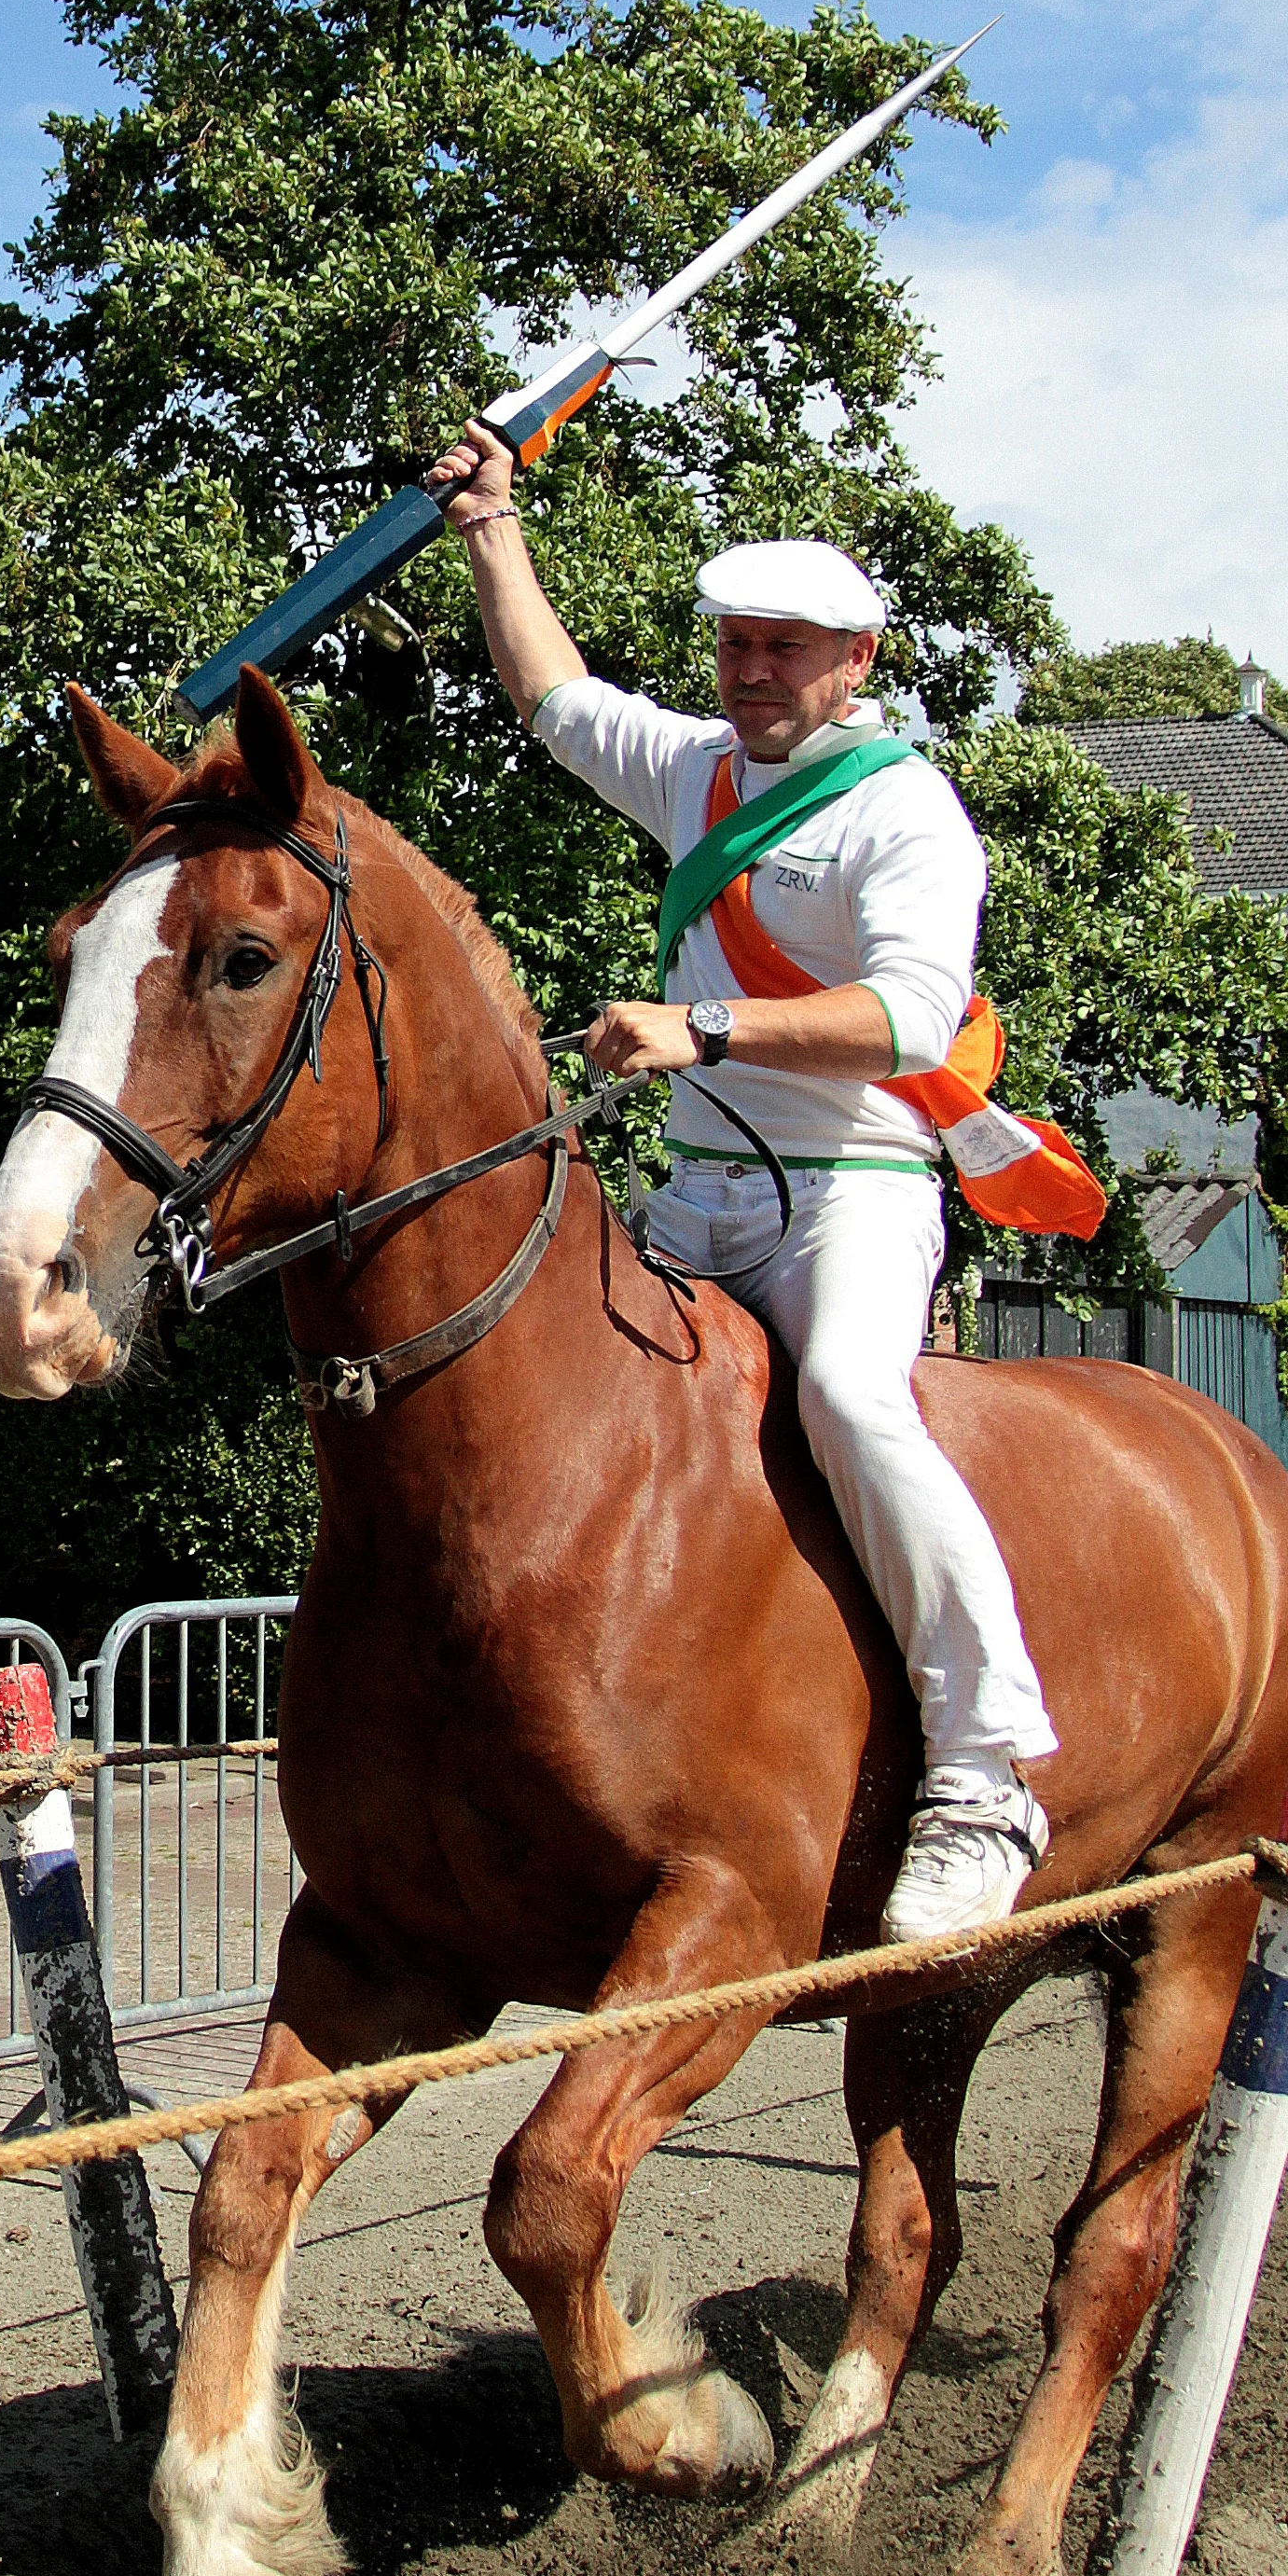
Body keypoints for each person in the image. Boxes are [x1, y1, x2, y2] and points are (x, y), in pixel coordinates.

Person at [424, 417, 1055, 1939]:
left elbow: (909, 1017)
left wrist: (705, 1022)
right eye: (736, 645)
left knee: (847, 1396)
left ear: (856, 661)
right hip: (698, 1191)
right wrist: (493, 534)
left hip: (856, 1186)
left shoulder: (904, 812)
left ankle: (987, 1768)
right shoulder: (697, 771)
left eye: (786, 648)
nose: (752, 669)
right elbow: (557, 699)